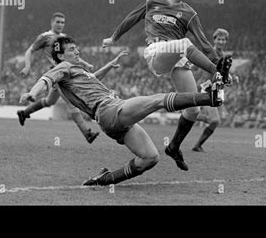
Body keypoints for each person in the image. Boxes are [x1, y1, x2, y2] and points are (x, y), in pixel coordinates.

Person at [20, 36, 226, 186]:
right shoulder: (62, 66)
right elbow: (45, 79)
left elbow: (93, 79)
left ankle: (106, 179)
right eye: (72, 49)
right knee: (156, 100)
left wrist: (110, 64)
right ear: (60, 54)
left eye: (76, 48)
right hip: (109, 109)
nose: (77, 52)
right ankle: (209, 97)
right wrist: (32, 93)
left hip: (110, 118)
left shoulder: (77, 71)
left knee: (150, 158)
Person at [102, 0, 232, 171]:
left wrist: (217, 61)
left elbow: (204, 43)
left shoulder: (189, 13)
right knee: (184, 44)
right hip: (156, 52)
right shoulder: (152, 2)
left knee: (193, 109)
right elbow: (132, 18)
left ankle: (173, 147)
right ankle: (218, 72)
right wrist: (113, 38)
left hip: (178, 56)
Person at [17, 12, 100, 144]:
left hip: (66, 71)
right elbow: (30, 50)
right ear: (52, 22)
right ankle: (87, 134)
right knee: (71, 102)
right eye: (58, 22)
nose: (60, 25)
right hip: (57, 74)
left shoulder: (65, 38)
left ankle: (24, 113)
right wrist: (27, 66)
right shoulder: (45, 37)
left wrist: (85, 64)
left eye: (62, 22)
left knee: (50, 101)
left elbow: (72, 54)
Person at [192, 28, 230, 152]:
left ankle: (197, 145)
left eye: (223, 39)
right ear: (214, 40)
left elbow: (222, 75)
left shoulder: (224, 56)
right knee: (214, 120)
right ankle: (197, 145)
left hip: (215, 90)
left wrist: (230, 78)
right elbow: (197, 63)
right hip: (206, 88)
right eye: (219, 39)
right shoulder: (210, 52)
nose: (221, 41)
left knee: (214, 121)